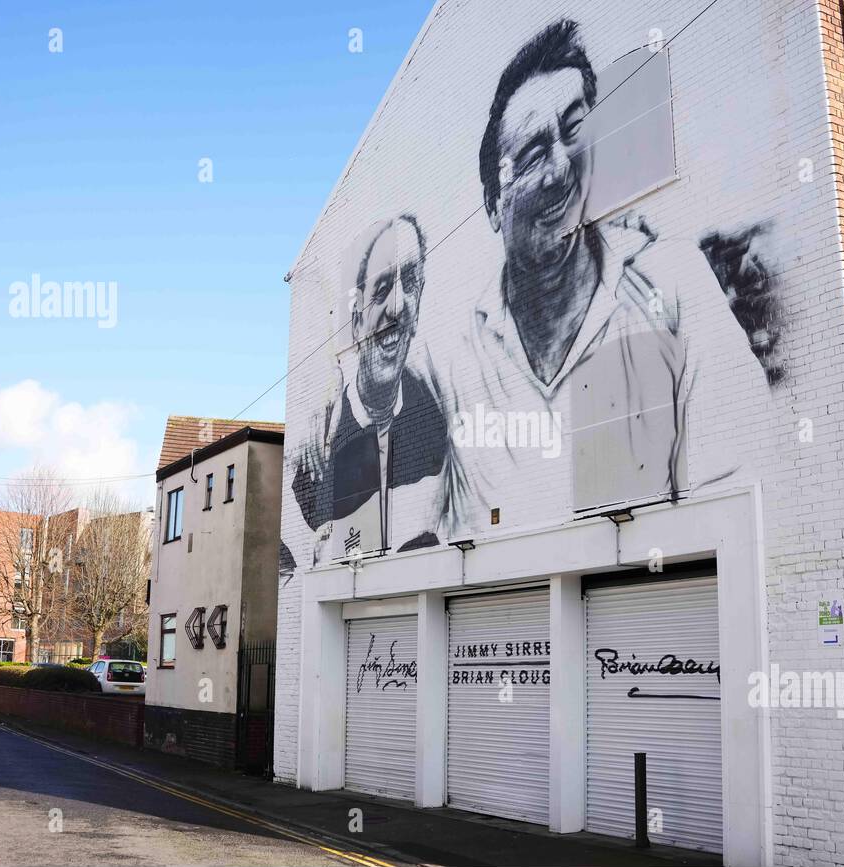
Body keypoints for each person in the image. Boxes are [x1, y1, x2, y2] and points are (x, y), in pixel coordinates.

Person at [437, 20, 777, 537]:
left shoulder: (674, 286)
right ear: (492, 206)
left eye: (575, 132)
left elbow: (745, 491)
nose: (561, 170)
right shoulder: (461, 360)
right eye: (530, 156)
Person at [292, 215, 447, 564]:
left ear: (419, 305)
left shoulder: (436, 425)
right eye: (381, 290)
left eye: (409, 284)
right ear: (357, 318)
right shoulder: (316, 450)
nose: (397, 305)